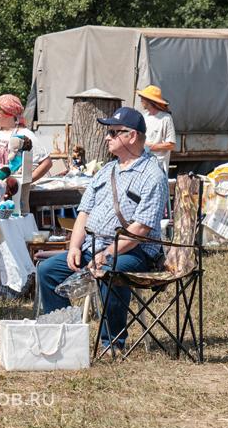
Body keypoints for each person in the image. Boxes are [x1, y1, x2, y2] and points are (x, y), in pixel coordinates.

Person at [37, 106, 168, 350]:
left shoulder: (152, 175)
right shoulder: (107, 170)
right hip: (93, 247)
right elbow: (84, 213)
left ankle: (112, 343)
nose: (107, 137)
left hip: (134, 252)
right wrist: (74, 247)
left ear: (132, 136)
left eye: (113, 132)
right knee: (47, 271)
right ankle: (62, 339)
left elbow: (141, 229)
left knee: (109, 269)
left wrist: (107, 253)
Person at [0, 94, 52, 181]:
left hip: (11, 186)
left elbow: (47, 163)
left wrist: (24, 182)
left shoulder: (25, 135)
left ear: (9, 114)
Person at [137, 85, 175, 176]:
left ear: (150, 101)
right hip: (143, 164)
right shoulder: (144, 117)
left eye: (143, 98)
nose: (141, 100)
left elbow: (171, 145)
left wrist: (150, 147)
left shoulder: (166, 118)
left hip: (158, 167)